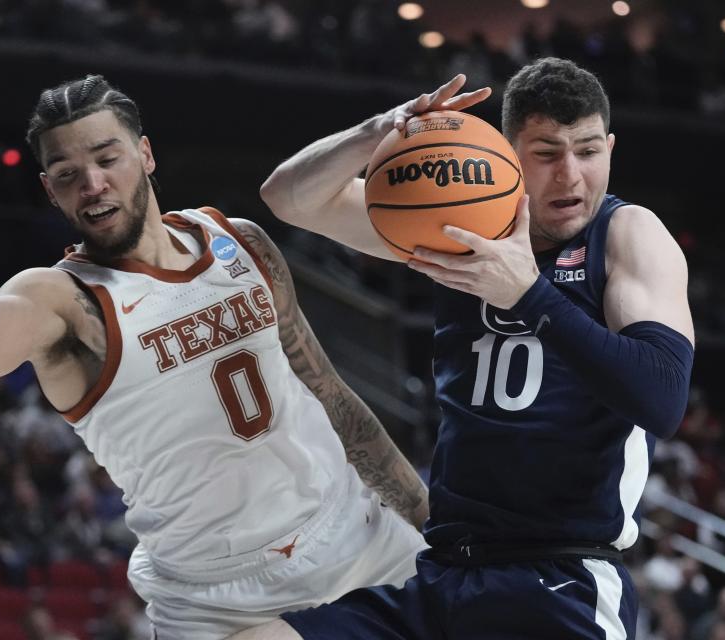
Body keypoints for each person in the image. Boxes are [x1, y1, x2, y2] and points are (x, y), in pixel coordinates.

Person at [0, 51, 428, 639]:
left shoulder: (238, 241)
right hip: (221, 600)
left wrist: (430, 517)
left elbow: (328, 392)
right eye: (68, 174)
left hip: (360, 537)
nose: (92, 183)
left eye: (106, 158)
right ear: (50, 190)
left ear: (145, 154)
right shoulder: (63, 302)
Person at [232, 57, 695, 638]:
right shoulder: (460, 224)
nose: (571, 175)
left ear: (609, 147)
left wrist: (529, 296)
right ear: (505, 151)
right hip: (446, 574)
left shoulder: (626, 234)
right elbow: (289, 198)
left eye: (588, 151)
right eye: (547, 153)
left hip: (560, 578)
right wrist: (379, 132)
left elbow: (662, 399)